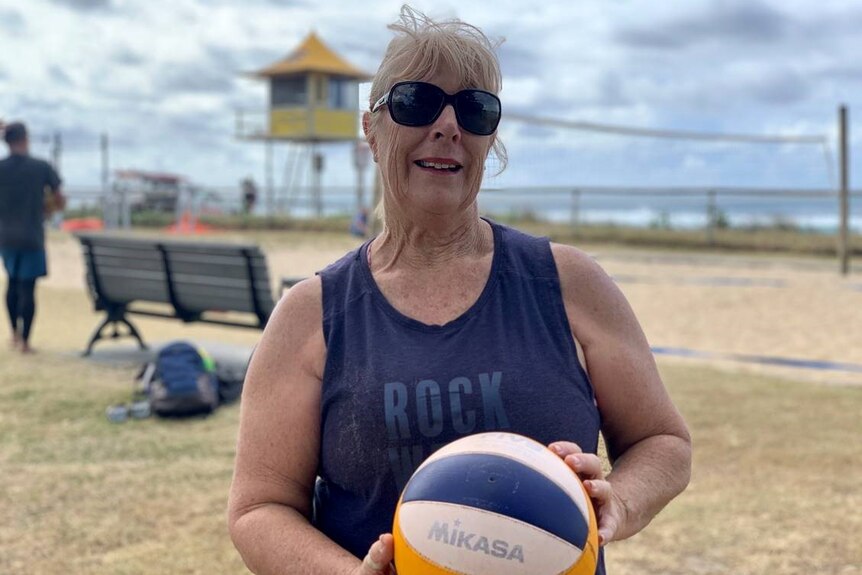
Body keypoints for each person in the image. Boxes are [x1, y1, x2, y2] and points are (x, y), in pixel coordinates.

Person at [228, 7, 691, 575]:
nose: (447, 125)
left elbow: (663, 441)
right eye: (416, 101)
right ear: (371, 129)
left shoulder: (569, 282)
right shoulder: (313, 313)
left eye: (474, 109)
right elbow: (259, 507)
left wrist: (619, 498)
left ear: (489, 138)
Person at [0, 121, 65, 354]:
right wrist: (48, 209)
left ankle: (13, 334)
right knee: (28, 288)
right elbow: (59, 198)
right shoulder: (41, 167)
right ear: (25, 139)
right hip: (31, 234)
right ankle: (26, 341)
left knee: (12, 283)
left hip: (6, 235)